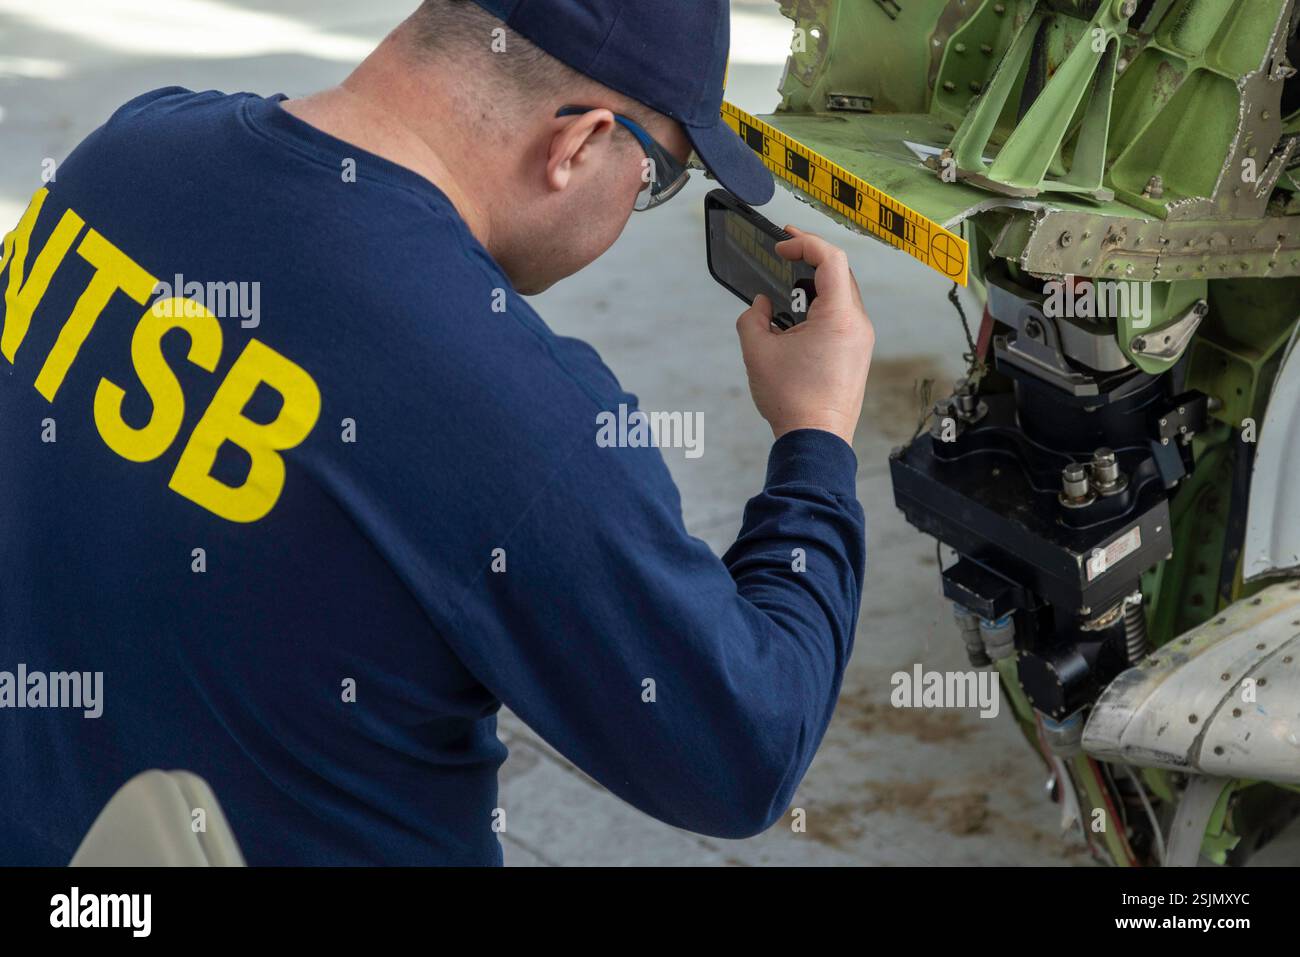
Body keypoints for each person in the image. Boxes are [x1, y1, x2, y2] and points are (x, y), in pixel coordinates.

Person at [0, 0, 875, 865]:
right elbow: (742, 752)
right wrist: (816, 435)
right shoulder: (520, 414)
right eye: (657, 181)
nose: (637, 208)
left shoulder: (125, 152)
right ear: (578, 145)